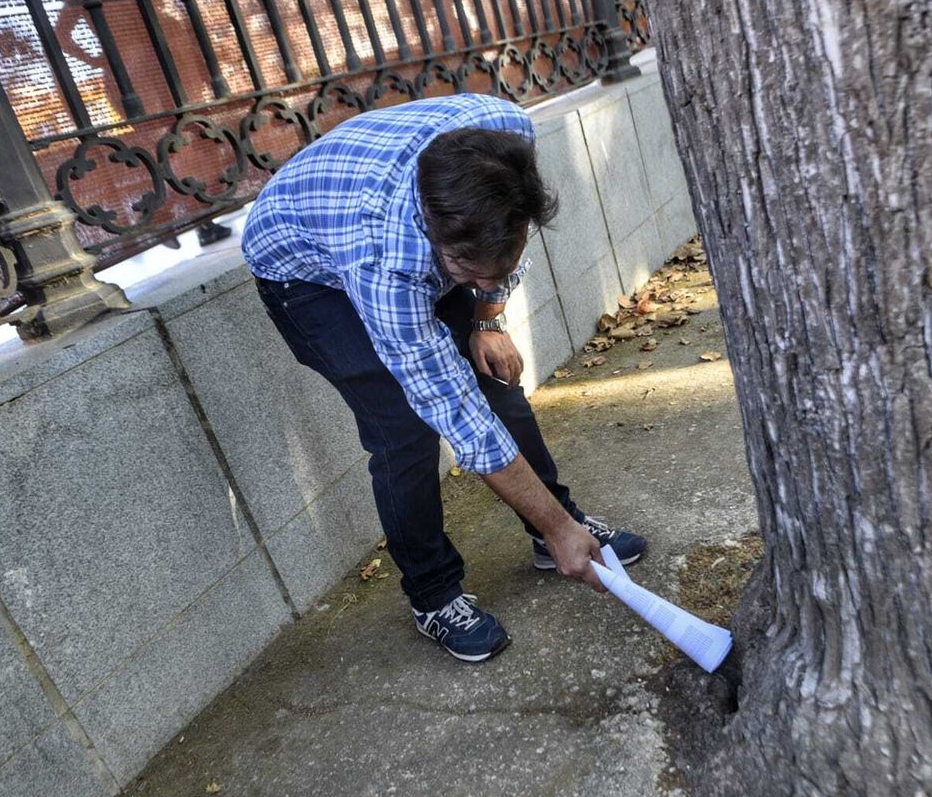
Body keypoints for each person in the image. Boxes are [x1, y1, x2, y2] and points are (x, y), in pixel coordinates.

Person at [242, 93, 648, 664]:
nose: (484, 278)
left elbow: (495, 253)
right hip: (304, 275)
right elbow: (456, 413)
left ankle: (552, 529)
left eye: (497, 262)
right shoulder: (388, 261)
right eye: (464, 270)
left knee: (494, 376)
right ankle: (434, 595)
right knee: (402, 427)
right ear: (437, 238)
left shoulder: (504, 132)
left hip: (380, 209)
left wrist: (488, 317)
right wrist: (560, 530)